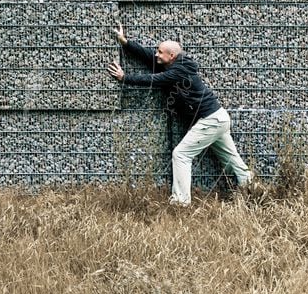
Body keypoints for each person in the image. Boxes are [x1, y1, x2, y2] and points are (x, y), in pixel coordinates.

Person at [107, 24, 253, 206]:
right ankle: (252, 187)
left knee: (181, 154)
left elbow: (155, 80)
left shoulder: (177, 72)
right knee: (231, 158)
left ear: (171, 56)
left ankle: (180, 202)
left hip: (210, 120)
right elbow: (148, 58)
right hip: (218, 118)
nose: (156, 54)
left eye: (160, 52)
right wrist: (126, 43)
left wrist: (124, 78)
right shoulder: (174, 66)